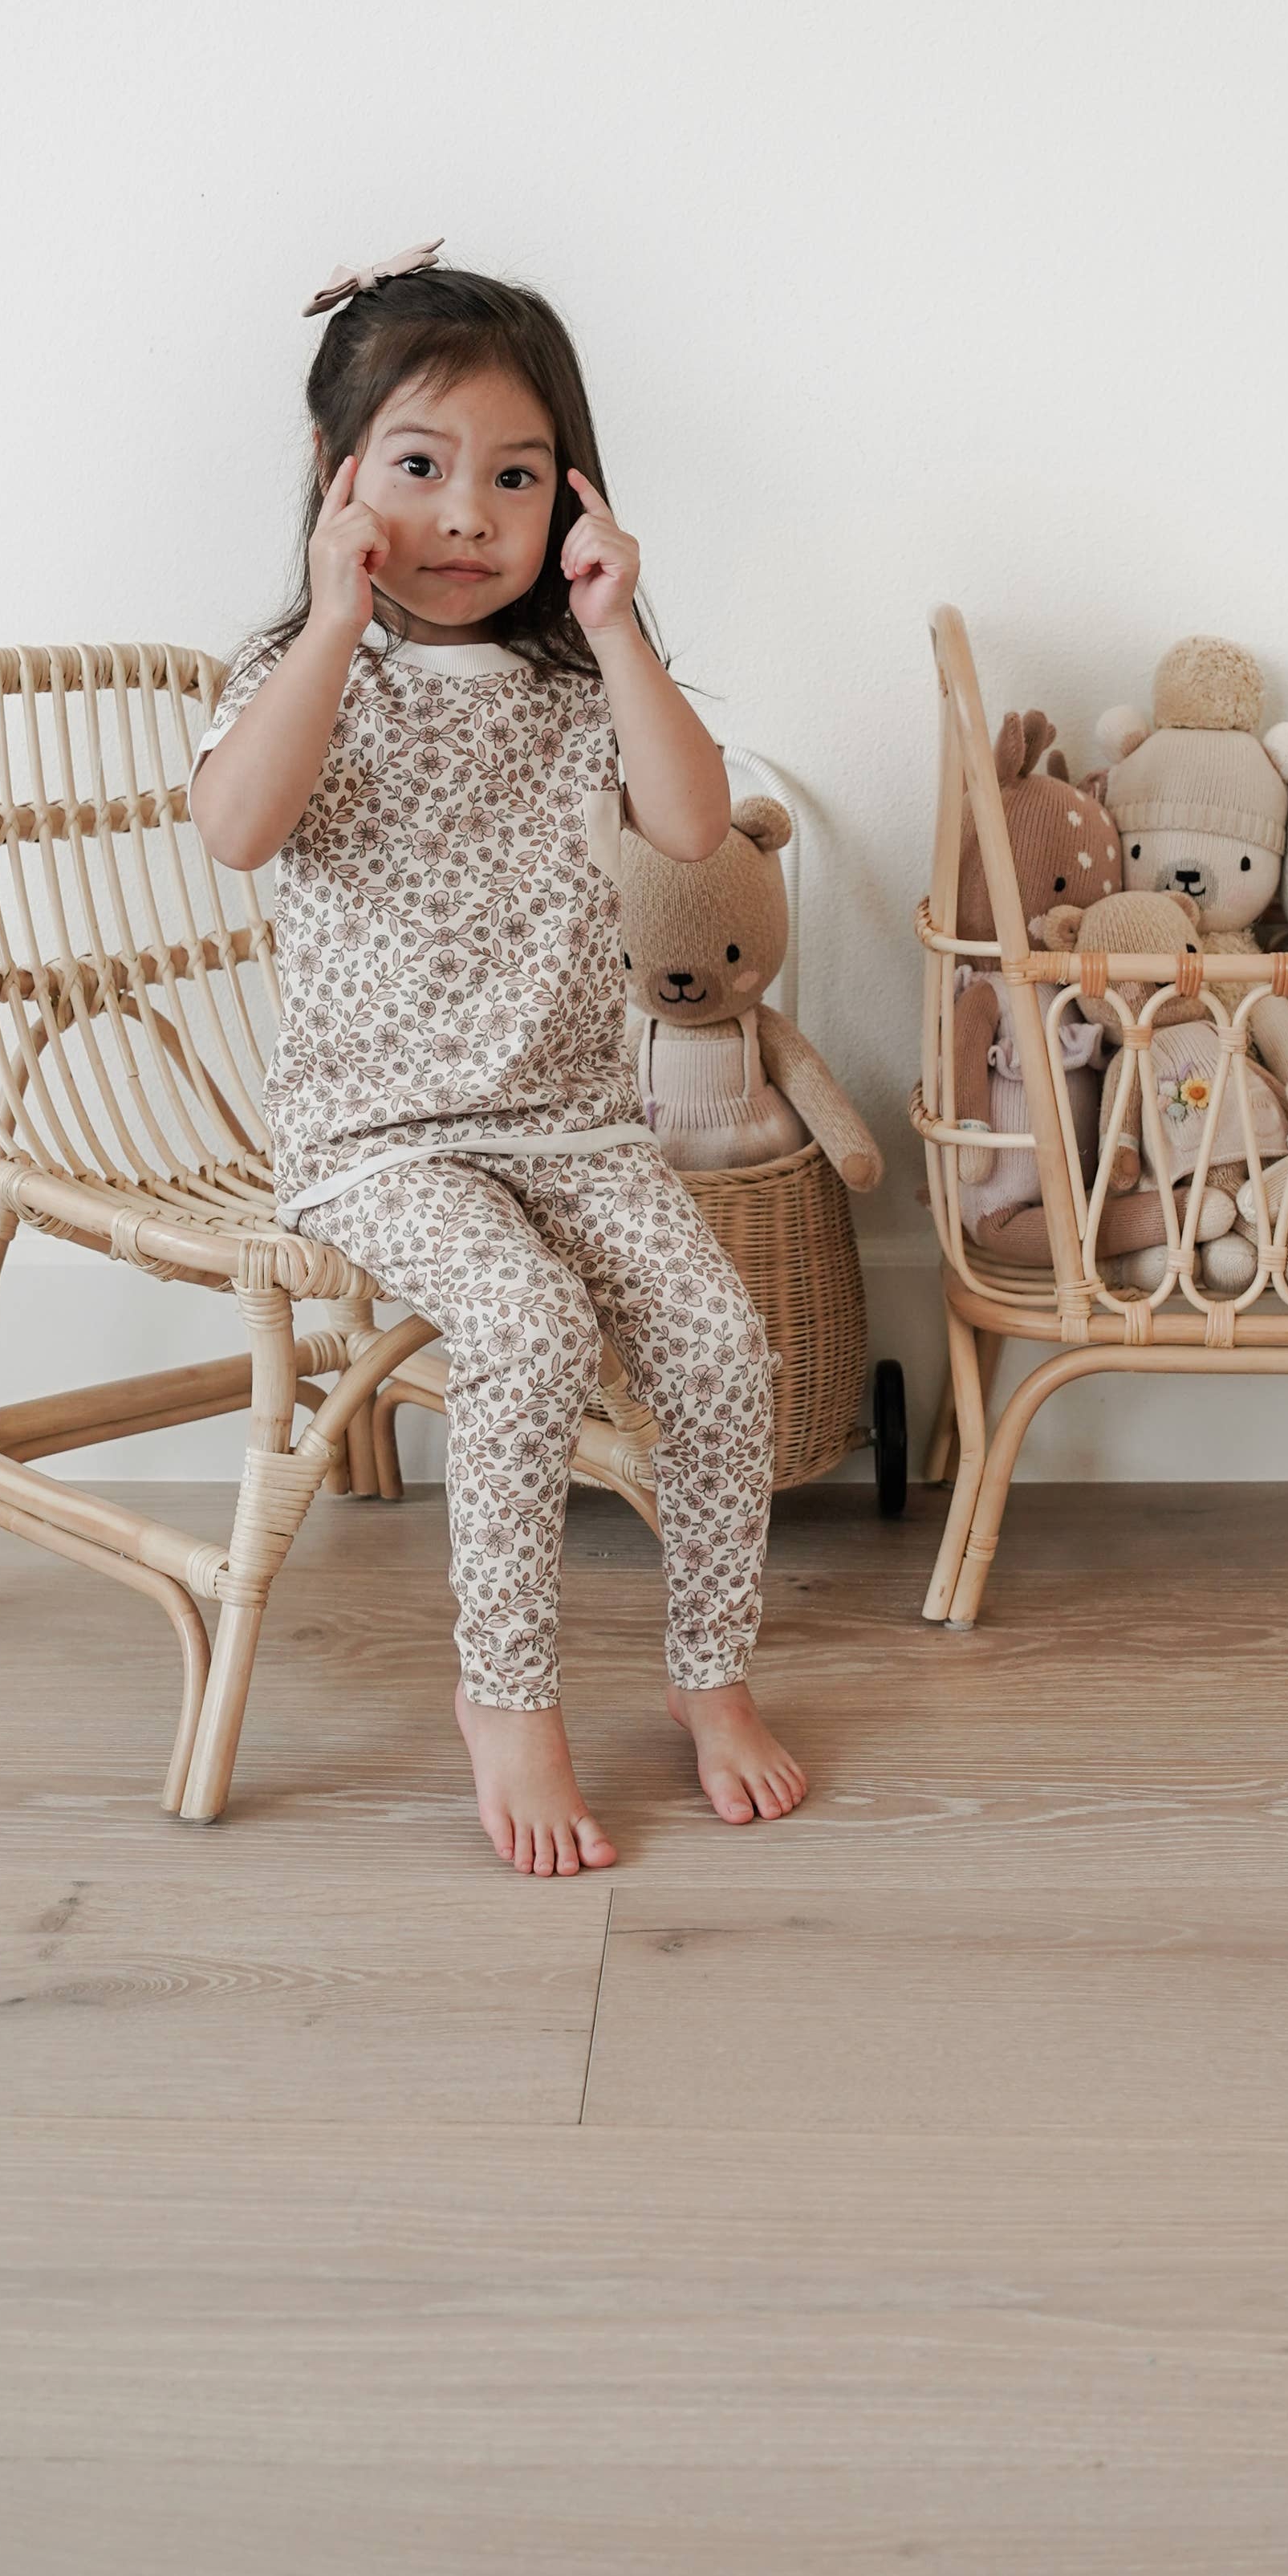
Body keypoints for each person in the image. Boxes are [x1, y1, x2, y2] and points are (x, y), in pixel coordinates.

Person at [189, 243, 807, 1875]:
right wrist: (333, 621)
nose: (470, 513)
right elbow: (239, 829)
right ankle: (507, 1699)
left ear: (572, 502)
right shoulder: (306, 675)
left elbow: (694, 832)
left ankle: (709, 1679)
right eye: (420, 466)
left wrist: (618, 630)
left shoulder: (570, 680)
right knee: (526, 1329)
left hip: (572, 1126)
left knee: (720, 1342)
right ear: (341, 489)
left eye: (516, 477)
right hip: (378, 1136)